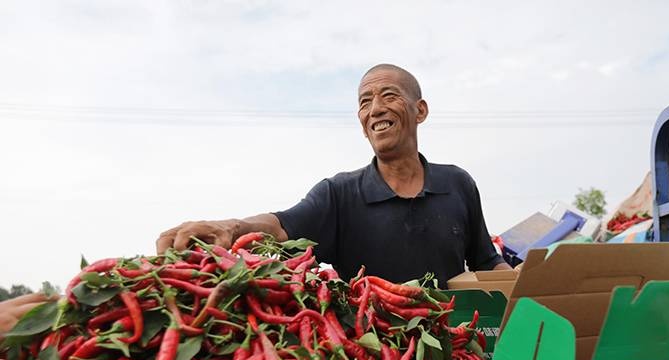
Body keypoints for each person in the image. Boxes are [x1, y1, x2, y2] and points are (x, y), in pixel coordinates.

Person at [157, 64, 510, 286]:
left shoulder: (457, 184)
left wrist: (531, 280)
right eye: (364, 101)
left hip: (458, 351)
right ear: (362, 124)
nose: (375, 109)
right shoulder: (339, 194)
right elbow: (282, 225)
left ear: (420, 110)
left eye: (389, 95)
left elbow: (484, 260)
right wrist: (231, 227)